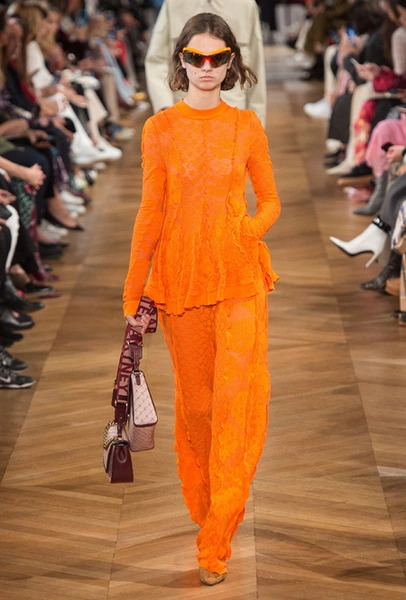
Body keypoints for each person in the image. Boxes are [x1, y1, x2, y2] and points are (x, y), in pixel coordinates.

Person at [123, 12, 280, 587]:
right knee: (198, 412)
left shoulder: (246, 126)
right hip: (181, 284)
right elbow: (151, 211)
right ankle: (210, 507)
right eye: (196, 57)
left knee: (237, 406)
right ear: (181, 61)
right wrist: (133, 288)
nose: (206, 67)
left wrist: (248, 231)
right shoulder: (160, 129)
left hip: (239, 280)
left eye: (217, 58)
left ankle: (216, 540)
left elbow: (270, 200)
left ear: (231, 62)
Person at [144, 0, 267, 126]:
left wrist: (257, 122)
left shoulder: (245, 4)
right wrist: (165, 106)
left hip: (234, 113)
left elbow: (255, 64)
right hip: (182, 114)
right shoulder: (174, 3)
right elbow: (157, 59)